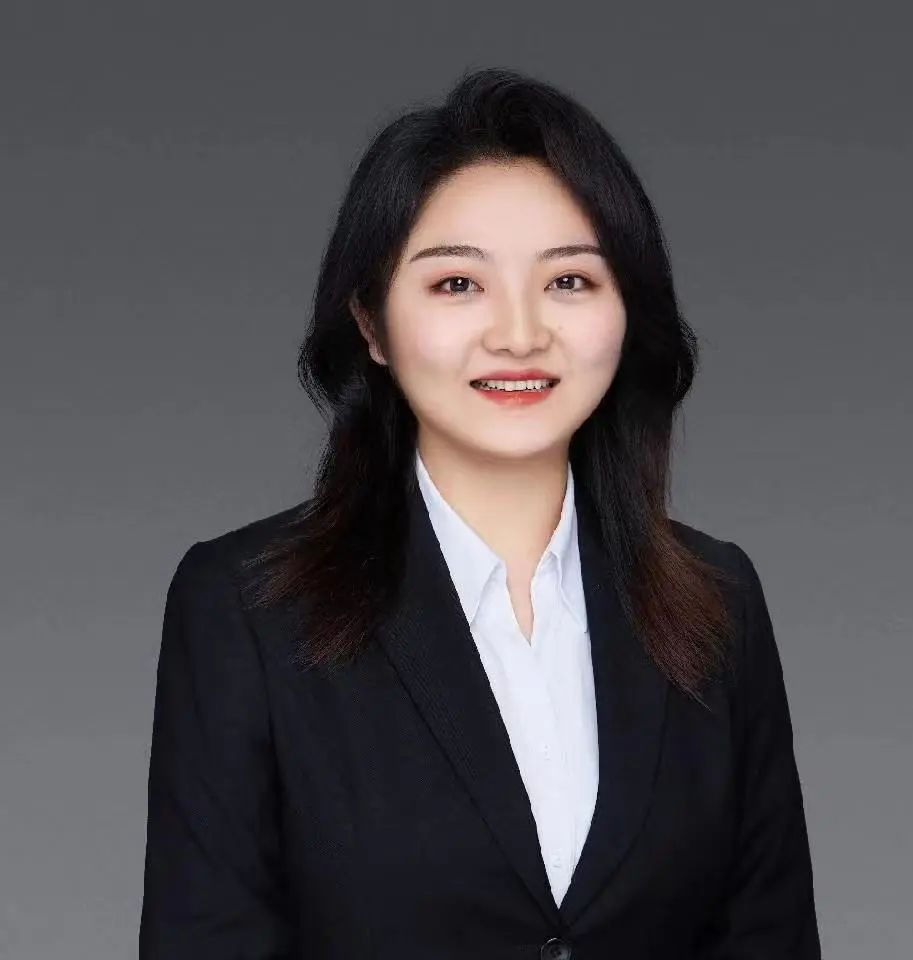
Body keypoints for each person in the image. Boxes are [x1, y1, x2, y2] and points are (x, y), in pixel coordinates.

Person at [139, 67, 821, 959]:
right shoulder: (245, 608)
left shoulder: (718, 601)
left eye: (569, 281)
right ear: (371, 324)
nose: (520, 334)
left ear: (628, 311)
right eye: (458, 284)